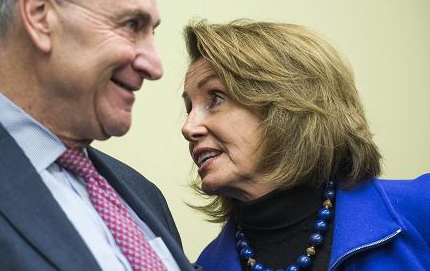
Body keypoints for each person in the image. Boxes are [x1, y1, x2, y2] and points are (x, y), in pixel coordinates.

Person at [0, 0, 196, 270]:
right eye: (132, 25)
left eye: (151, 33)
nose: (155, 66)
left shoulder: (145, 196)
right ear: (40, 15)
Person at [180, 20, 430, 271]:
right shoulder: (206, 265)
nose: (188, 128)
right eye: (189, 108)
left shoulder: (421, 208)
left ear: (289, 105)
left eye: (216, 98)